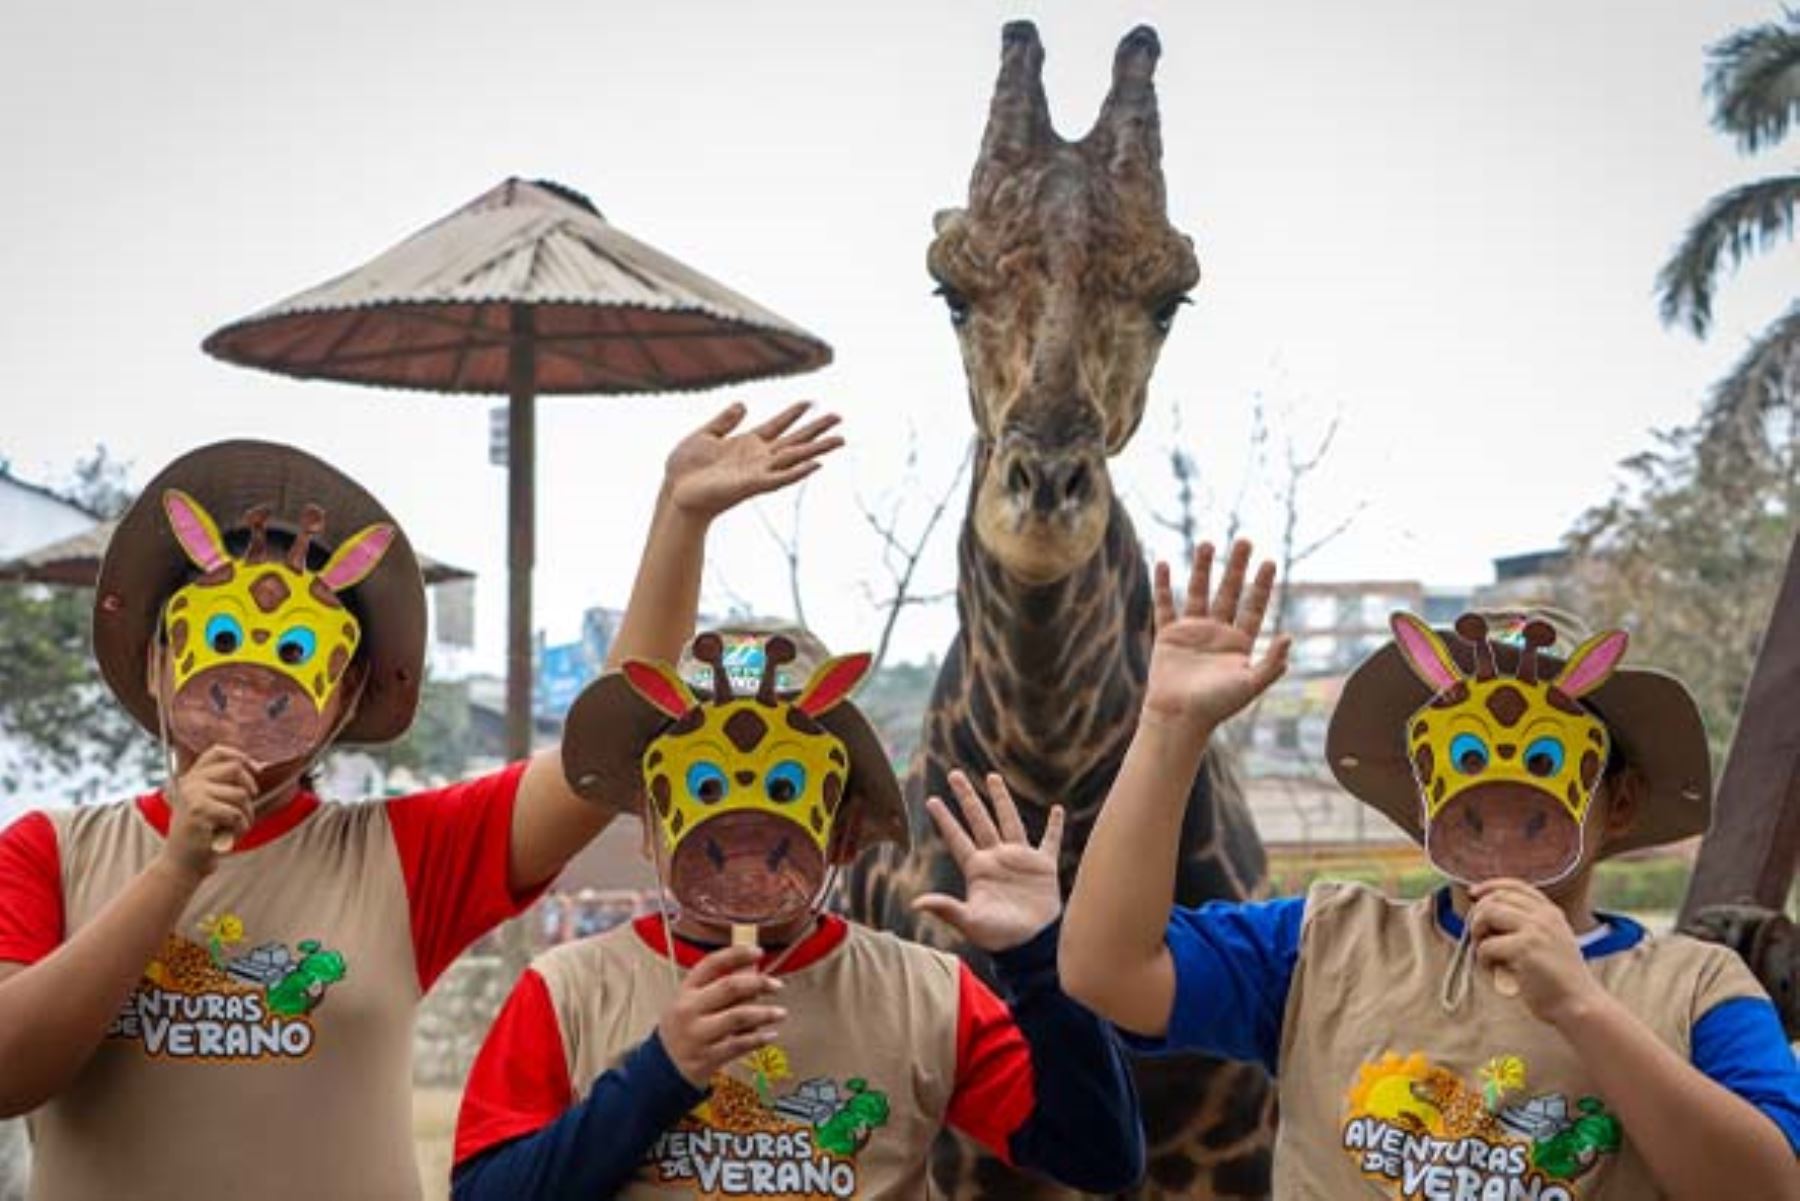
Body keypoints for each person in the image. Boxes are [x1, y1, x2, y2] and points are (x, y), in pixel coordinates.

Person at [0, 401, 841, 1201]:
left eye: (301, 652)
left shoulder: (400, 856)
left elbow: (599, 752)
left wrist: (678, 518)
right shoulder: (51, 850)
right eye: (218, 639)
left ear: (348, 690)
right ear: (157, 661)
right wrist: (176, 867)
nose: (254, 681)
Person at [1061, 539, 1800, 1200]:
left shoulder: (1696, 988)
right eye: (1467, 762)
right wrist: (1169, 727)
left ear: (1622, 799)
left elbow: (1771, 1186)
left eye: (1543, 763)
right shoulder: (1325, 944)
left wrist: (1583, 1006)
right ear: (1423, 795)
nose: (1502, 799)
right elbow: (1106, 969)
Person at [451, 627, 1145, 1199]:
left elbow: (1100, 1155)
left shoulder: (926, 994)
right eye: (708, 789)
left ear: (844, 832)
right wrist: (660, 1071)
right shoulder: (568, 991)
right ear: (649, 826)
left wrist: (1038, 961)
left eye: (781, 792)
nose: (743, 836)